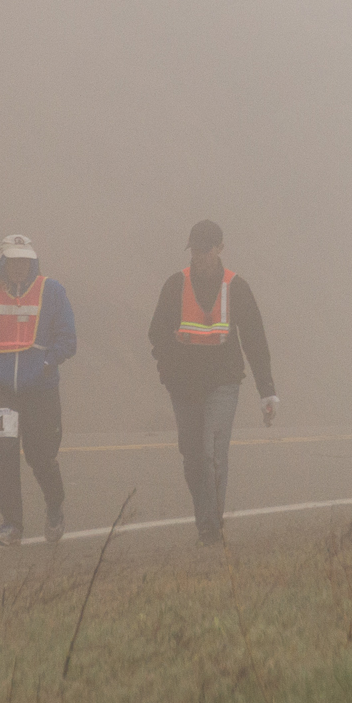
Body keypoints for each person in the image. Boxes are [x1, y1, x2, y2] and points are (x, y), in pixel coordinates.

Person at [147, 219, 277, 545]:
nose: (199, 257)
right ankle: (206, 518)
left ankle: (210, 527)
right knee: (192, 457)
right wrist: (167, 371)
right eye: (194, 251)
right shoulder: (175, 285)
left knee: (213, 453)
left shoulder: (237, 288)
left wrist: (267, 392)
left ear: (220, 249)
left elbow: (255, 342)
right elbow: (157, 334)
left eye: (205, 251)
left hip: (224, 383)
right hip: (184, 386)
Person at [0, 234, 77, 546]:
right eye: (12, 260)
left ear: (32, 262)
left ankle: (54, 505)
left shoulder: (52, 291)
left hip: (41, 389)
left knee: (40, 456)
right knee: (4, 452)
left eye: (24, 261)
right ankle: (11, 525)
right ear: (3, 263)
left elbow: (68, 339)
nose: (18, 266)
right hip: (3, 389)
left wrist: (47, 363)